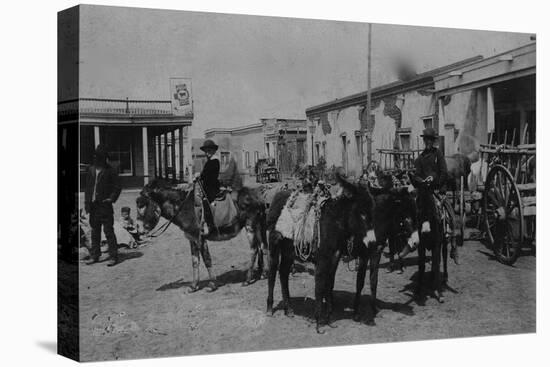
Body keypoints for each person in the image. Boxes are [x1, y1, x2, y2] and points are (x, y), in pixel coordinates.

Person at [398, 127, 458, 264]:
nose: (428, 142)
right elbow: (417, 174)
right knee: (413, 213)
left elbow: (444, 172)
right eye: (426, 140)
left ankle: (453, 242)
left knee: (450, 214)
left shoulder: (438, 155)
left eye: (431, 140)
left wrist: (434, 180)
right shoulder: (419, 158)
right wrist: (420, 181)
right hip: (424, 191)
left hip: (437, 191)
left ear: (434, 141)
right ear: (424, 141)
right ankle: (412, 241)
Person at [84, 144, 121, 266]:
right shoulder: (90, 169)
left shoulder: (111, 171)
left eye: (101, 157)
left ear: (105, 158)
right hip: (93, 206)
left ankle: (113, 256)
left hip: (105, 206)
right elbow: (88, 188)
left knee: (108, 231)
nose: (98, 159)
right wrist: (87, 204)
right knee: (95, 232)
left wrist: (111, 199)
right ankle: (95, 255)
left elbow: (117, 187)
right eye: (96, 157)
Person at [196, 139, 221, 234]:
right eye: (206, 151)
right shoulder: (210, 161)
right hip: (208, 185)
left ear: (214, 151)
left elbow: (207, 174)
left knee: (207, 203)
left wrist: (200, 176)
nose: (207, 153)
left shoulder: (214, 161)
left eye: (209, 151)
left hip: (211, 186)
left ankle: (211, 225)